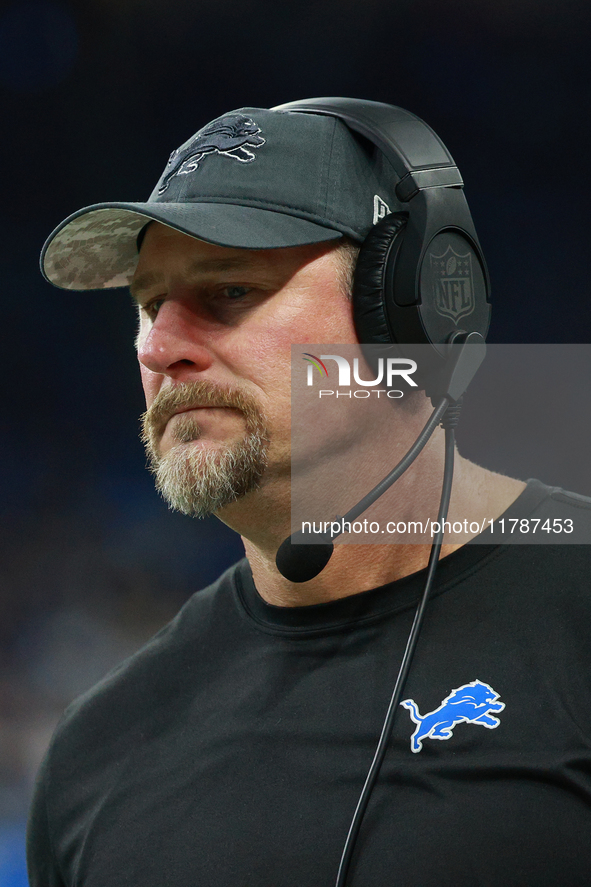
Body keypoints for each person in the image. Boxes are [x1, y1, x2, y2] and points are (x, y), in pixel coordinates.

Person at [28, 101, 591, 887]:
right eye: (150, 305)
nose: (160, 348)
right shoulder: (98, 749)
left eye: (228, 290)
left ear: (408, 314)